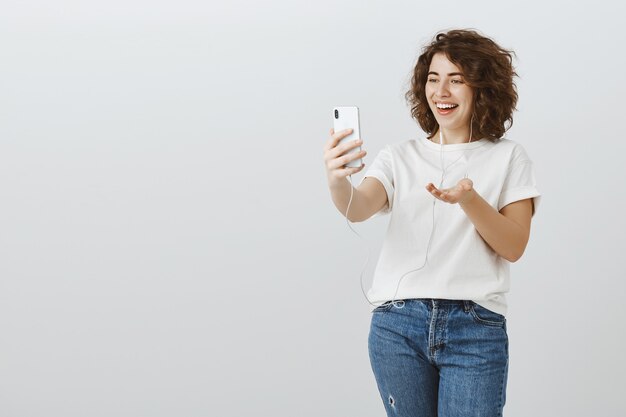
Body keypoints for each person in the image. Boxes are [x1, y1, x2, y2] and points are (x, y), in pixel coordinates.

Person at [322, 29, 541, 417]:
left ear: (482, 88)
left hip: (474, 328)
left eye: (456, 80)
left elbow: (514, 245)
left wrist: (469, 200)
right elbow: (357, 207)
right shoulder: (399, 156)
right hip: (398, 326)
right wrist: (338, 178)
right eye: (434, 79)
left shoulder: (510, 158)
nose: (442, 92)